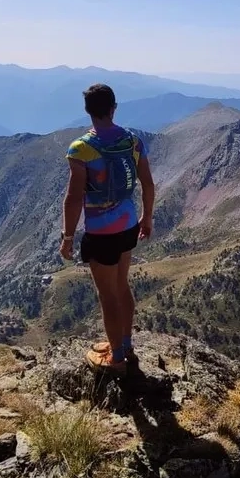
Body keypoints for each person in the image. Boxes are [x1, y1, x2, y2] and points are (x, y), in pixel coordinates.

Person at [60, 83, 155, 372]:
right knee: (121, 285)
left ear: (88, 110)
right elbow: (147, 183)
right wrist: (147, 218)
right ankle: (124, 344)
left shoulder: (81, 149)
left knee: (108, 295)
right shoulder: (133, 141)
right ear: (114, 108)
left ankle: (116, 359)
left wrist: (67, 237)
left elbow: (74, 198)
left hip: (101, 232)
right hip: (128, 225)